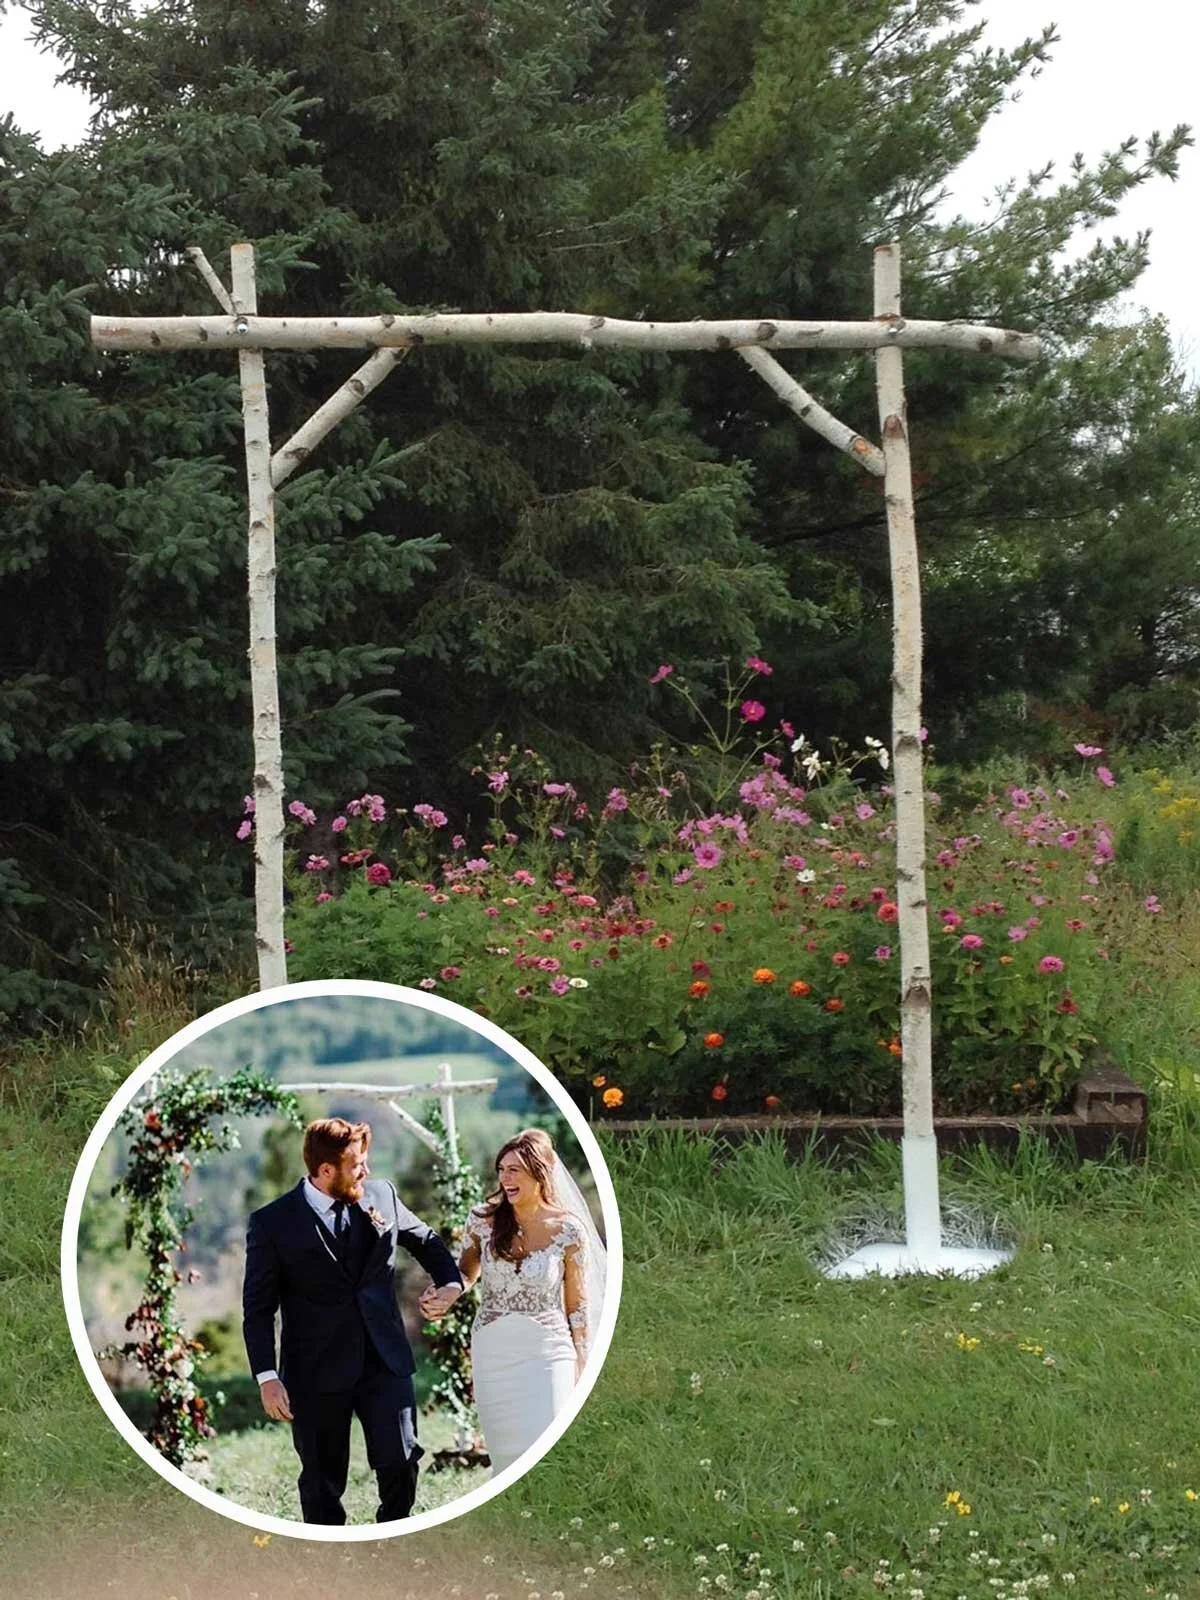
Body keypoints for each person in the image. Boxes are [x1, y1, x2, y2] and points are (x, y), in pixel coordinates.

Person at [241, 1116, 464, 1525]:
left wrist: (451, 1283)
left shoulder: (383, 1195)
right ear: (326, 1171)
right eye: (357, 1163)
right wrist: (267, 1377)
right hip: (315, 1370)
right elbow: (257, 1309)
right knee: (322, 1478)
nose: (367, 1170)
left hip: (385, 1358)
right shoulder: (272, 1223)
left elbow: (427, 1242)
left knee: (401, 1459)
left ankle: (393, 1534)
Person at [422, 1128, 605, 1476]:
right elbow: (465, 1272)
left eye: (515, 1169)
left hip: (549, 1348)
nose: (505, 1178)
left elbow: (577, 1305)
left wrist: (583, 1361)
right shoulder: (483, 1220)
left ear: (540, 1174)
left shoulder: (568, 1230)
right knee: (506, 1455)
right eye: (501, 1169)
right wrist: (448, 1292)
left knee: (550, 1443)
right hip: (493, 1348)